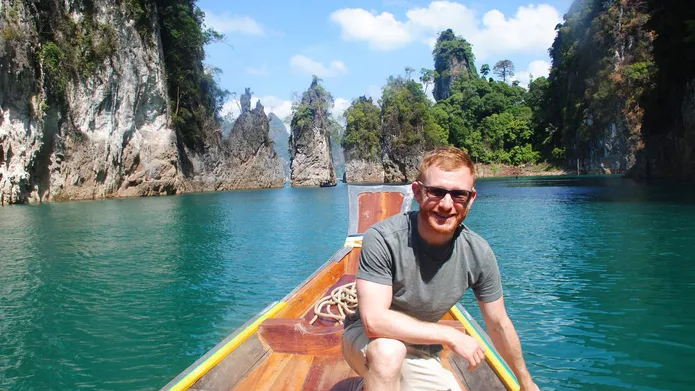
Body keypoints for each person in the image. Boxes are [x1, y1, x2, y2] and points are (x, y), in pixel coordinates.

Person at [341, 146, 539, 391]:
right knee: (388, 352)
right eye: (436, 192)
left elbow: (499, 323)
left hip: (421, 347)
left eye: (458, 195)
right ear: (417, 192)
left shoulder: (478, 253)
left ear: (471, 198)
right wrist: (451, 336)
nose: (447, 204)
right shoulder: (383, 238)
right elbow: (374, 321)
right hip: (369, 339)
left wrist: (526, 382)